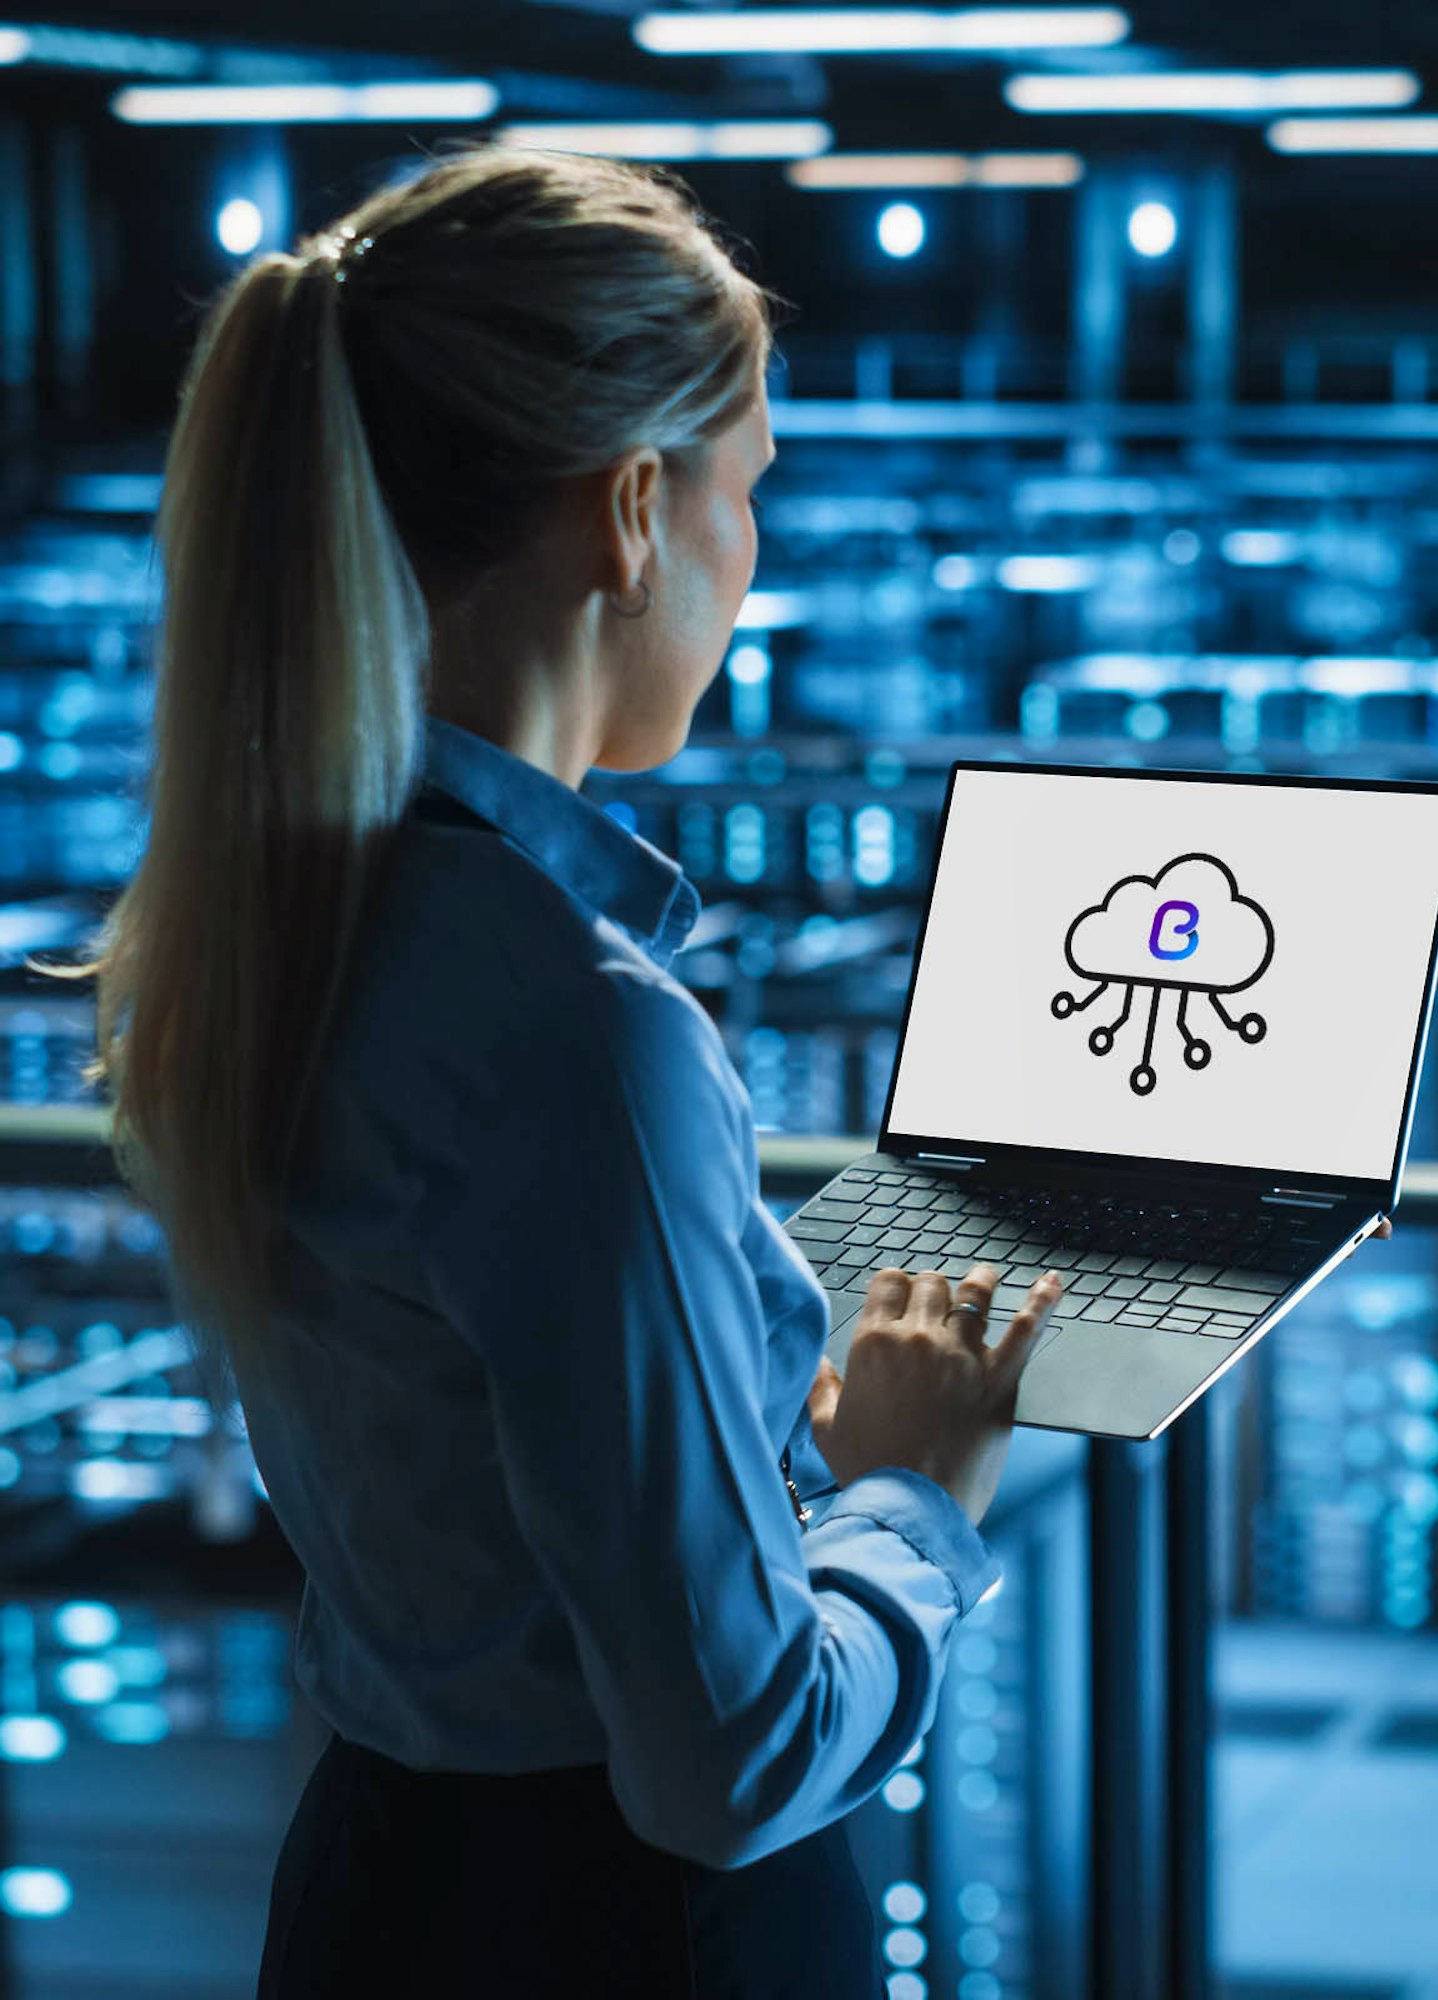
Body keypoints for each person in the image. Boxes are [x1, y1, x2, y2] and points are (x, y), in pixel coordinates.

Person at [34, 141, 1063, 1996]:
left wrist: (761, 1411)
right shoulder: (579, 1026)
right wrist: (916, 1492)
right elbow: (730, 1762)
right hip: (630, 1940)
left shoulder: (287, 930)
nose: (753, 562)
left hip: (383, 1887)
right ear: (634, 511)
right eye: (752, 491)